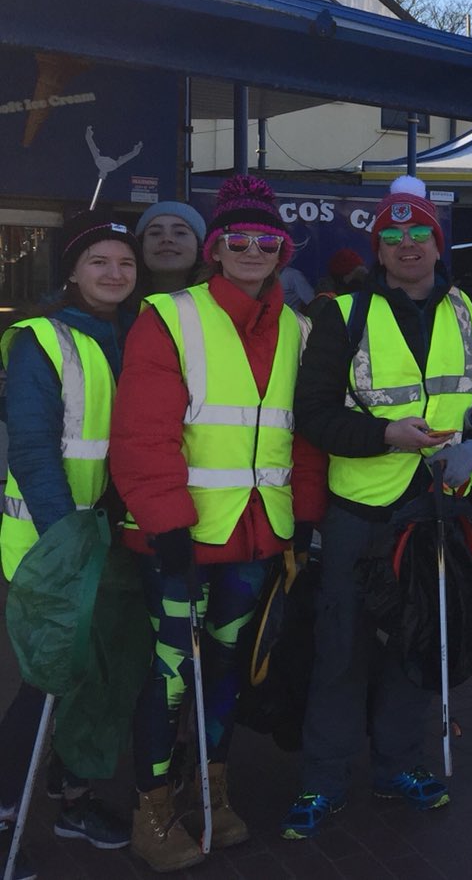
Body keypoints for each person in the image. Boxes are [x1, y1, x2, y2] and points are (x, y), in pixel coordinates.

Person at [110, 175, 327, 872]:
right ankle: (153, 810)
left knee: (228, 665)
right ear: (217, 249)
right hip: (180, 537)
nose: (254, 251)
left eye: (267, 241)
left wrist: (307, 517)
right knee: (173, 668)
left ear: (282, 250)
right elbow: (143, 429)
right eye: (239, 239)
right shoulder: (169, 315)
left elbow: (304, 437)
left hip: (256, 538)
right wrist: (167, 520)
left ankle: (213, 788)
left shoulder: (298, 327)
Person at [281, 175, 472, 839]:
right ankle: (323, 782)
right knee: (341, 650)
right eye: (393, 236)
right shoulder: (341, 315)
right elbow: (313, 416)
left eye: (419, 235)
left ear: (438, 245)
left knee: (420, 643)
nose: (407, 245)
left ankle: (398, 766)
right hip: (362, 511)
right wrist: (385, 434)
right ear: (377, 250)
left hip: (440, 508)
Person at [0, 211, 141, 876]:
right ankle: (6, 810)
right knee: (45, 681)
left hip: (113, 540)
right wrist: (69, 536)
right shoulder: (40, 339)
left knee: (94, 679)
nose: (115, 273)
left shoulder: (136, 333)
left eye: (125, 262)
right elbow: (31, 446)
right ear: (72, 271)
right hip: (54, 541)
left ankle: (73, 797)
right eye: (99, 262)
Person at [135, 201, 205, 294]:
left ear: (199, 244)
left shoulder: (221, 300)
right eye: (155, 233)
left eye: (180, 233)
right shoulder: (117, 301)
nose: (167, 239)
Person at [306, 248, 368, 320]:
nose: (358, 281)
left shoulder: (358, 296)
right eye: (355, 274)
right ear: (344, 275)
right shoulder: (324, 302)